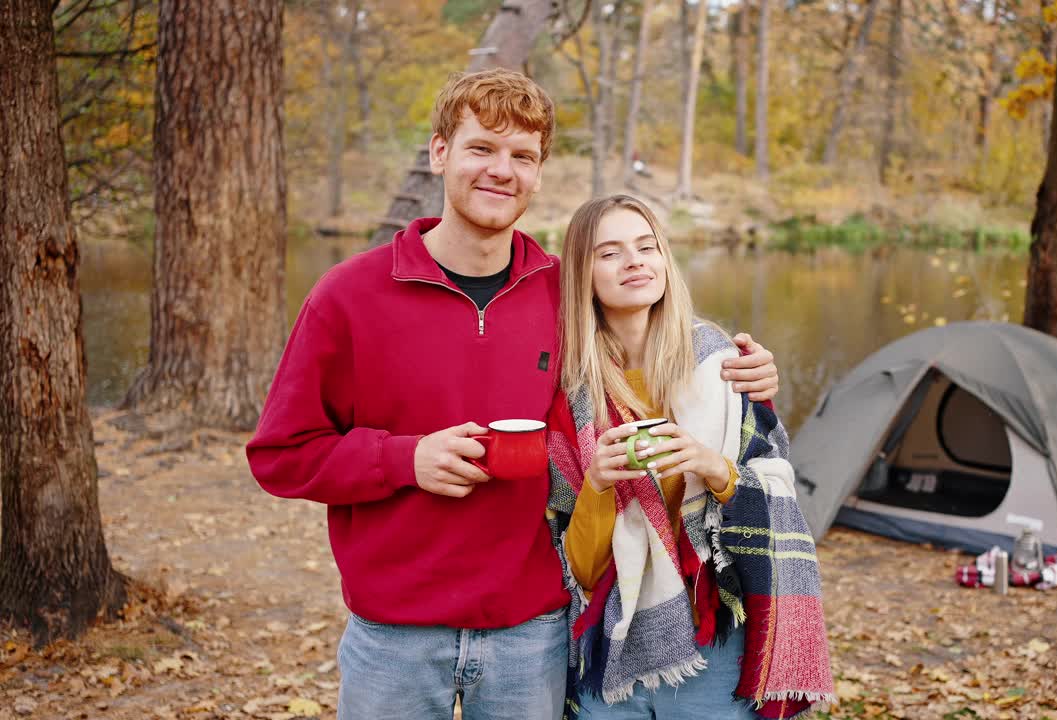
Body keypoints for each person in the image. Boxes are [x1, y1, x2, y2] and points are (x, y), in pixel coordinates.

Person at [245, 69, 780, 720]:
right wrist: (402, 460)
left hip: (532, 632)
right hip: (394, 636)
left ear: (539, 173)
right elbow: (281, 454)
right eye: (481, 149)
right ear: (439, 154)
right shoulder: (348, 297)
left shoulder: (568, 297)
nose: (502, 170)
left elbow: (665, 346)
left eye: (522, 156)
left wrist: (743, 370)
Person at [546, 195, 835, 719]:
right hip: (609, 643)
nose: (634, 261)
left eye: (646, 246)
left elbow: (777, 490)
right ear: (582, 276)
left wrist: (712, 466)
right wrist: (597, 485)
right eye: (608, 253)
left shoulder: (723, 366)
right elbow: (580, 570)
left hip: (715, 628)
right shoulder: (574, 395)